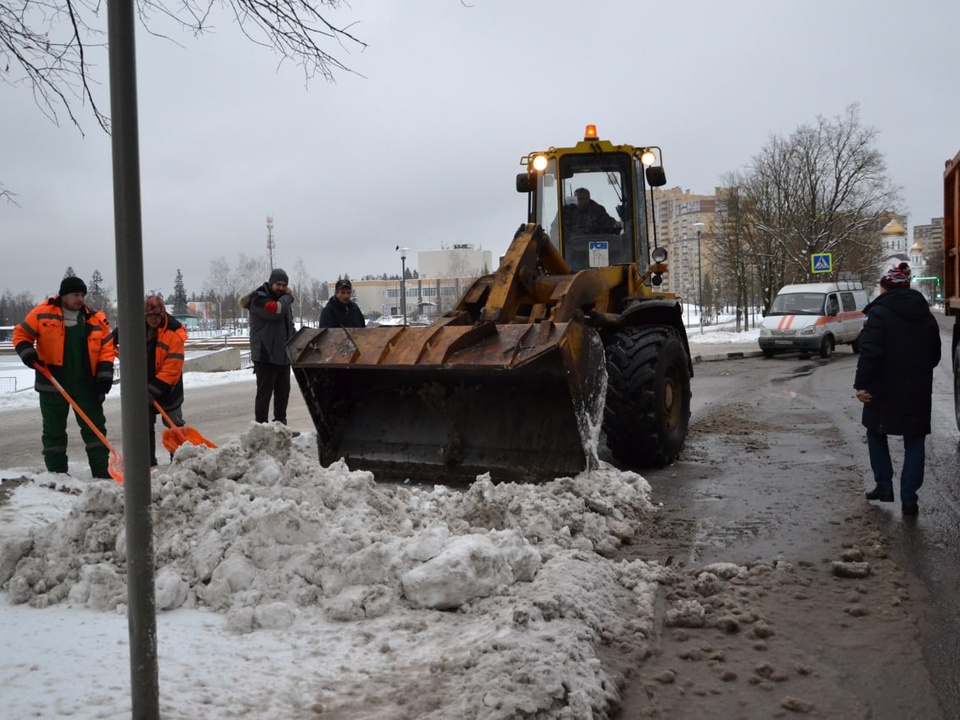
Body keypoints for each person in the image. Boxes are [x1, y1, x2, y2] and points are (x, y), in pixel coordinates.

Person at [854, 262, 941, 516]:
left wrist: (861, 385)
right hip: (918, 389)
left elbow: (870, 353)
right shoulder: (925, 314)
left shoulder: (879, 313)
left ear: (886, 288)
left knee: (875, 432)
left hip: (883, 389)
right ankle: (909, 499)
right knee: (914, 440)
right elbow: (934, 356)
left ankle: (883, 486)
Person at [13, 276, 116, 478]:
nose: (80, 299)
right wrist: (29, 355)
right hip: (52, 381)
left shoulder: (95, 319)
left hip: (87, 384)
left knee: (94, 427)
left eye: (82, 295)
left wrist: (105, 373)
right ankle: (57, 472)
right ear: (63, 295)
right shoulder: (42, 313)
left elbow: (106, 346)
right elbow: (21, 334)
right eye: (75, 295)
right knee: (54, 430)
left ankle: (101, 469)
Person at [113, 297, 188, 466]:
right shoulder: (134, 328)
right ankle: (146, 461)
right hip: (142, 386)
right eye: (149, 315)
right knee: (144, 426)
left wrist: (153, 389)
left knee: (174, 424)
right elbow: (108, 341)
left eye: (157, 315)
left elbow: (172, 368)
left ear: (163, 315)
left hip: (169, 388)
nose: (153, 319)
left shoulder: (173, 334)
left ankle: (178, 460)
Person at [240, 268, 297, 428]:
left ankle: (281, 427)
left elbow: (289, 325)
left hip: (283, 356)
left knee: (282, 394)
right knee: (264, 395)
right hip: (265, 356)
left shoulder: (282, 301)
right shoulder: (259, 299)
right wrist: (288, 297)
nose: (281, 287)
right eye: (278, 284)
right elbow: (276, 311)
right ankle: (261, 428)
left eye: (284, 285)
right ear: (271, 283)